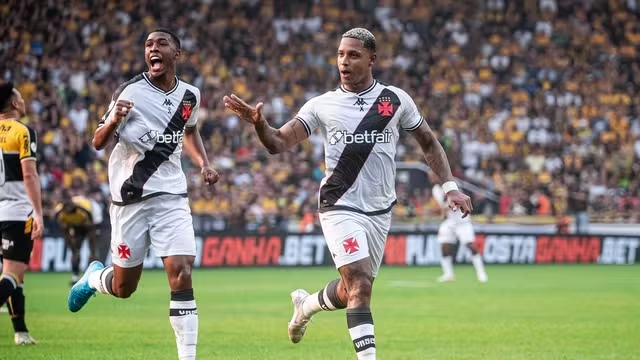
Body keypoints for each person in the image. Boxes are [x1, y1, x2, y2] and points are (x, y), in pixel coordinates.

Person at [223, 28, 473, 359]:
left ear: (372, 59)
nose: (344, 61)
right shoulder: (321, 105)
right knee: (361, 285)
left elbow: (428, 142)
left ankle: (306, 305)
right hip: (338, 204)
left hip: (380, 211)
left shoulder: (393, 101)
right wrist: (259, 124)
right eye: (340, 54)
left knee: (352, 289)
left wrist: (450, 186)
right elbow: (278, 143)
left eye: (353, 55)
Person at [67, 28, 219, 360]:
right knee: (124, 288)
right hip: (130, 198)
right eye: (148, 44)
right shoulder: (129, 91)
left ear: (176, 54)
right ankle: (94, 278)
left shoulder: (190, 95)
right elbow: (97, 142)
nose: (153, 48)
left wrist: (203, 163)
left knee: (181, 272)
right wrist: (114, 120)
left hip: (171, 196)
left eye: (161, 43)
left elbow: (189, 131)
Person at [0, 82, 43, 345]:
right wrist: (38, 212)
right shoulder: (22, 131)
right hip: (15, 213)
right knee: (12, 276)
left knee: (14, 276)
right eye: (20, 97)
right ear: (14, 103)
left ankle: (21, 333)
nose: (23, 100)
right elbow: (29, 173)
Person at [431, 175, 488, 283]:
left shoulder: (452, 185)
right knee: (444, 246)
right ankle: (448, 274)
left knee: (471, 245)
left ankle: (481, 273)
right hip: (449, 222)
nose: (431, 179)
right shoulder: (435, 189)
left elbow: (457, 202)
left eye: (433, 176)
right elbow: (443, 208)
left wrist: (441, 209)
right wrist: (442, 210)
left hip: (462, 220)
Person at [54, 192, 103, 285]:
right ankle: (75, 276)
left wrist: (94, 232)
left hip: (89, 224)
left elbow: (91, 219)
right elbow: (63, 227)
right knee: (75, 251)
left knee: (93, 249)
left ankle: (94, 275)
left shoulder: (84, 206)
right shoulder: (60, 212)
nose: (68, 209)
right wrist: (68, 238)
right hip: (76, 226)